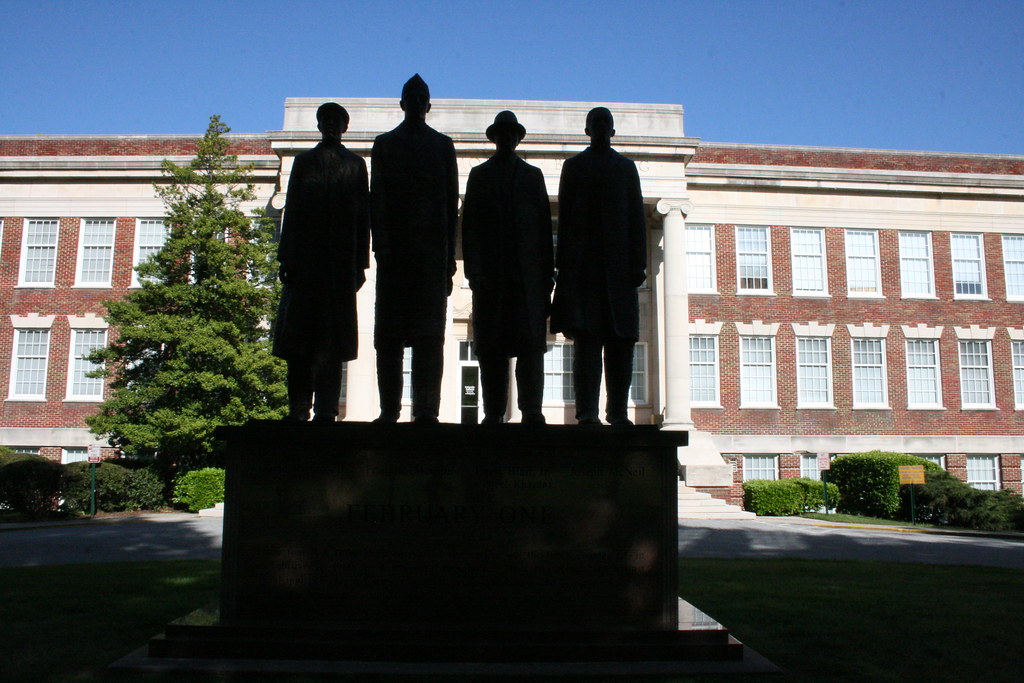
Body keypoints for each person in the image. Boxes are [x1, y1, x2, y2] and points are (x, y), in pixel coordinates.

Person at [550, 107, 647, 426]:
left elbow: (636, 219)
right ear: (587, 130)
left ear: (613, 131)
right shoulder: (573, 167)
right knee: (587, 347)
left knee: (621, 344)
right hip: (584, 272)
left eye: (606, 123)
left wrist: (638, 265)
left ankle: (617, 411)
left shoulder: (626, 168)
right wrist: (562, 270)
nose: (602, 128)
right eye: (596, 123)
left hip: (620, 272)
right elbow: (564, 223)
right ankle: (587, 413)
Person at [273, 102, 369, 422]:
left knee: (333, 343)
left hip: (339, 267)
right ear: (319, 126)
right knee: (299, 342)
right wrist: (286, 256)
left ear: (344, 127)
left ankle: (327, 410)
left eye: (336, 121)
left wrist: (360, 265)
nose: (330, 125)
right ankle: (299, 409)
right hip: (306, 264)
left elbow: (361, 218)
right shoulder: (303, 162)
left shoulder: (355, 166)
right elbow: (293, 210)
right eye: (325, 120)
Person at [370, 74, 459, 423]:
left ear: (428, 105)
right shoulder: (385, 144)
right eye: (412, 96)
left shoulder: (442, 145)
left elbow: (450, 204)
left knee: (429, 339)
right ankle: (389, 409)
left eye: (422, 97)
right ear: (403, 103)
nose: (417, 102)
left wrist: (449, 260)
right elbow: (377, 199)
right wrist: (382, 248)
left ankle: (426, 410)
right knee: (388, 339)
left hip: (430, 258)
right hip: (395, 256)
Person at [462, 111, 553, 425]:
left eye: (512, 133)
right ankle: (493, 412)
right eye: (501, 133)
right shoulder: (479, 175)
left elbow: (544, 230)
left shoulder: (533, 176)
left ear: (517, 138)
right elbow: (469, 227)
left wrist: (546, 278)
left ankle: (531, 410)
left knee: (531, 349)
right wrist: (474, 273)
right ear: (494, 137)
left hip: (528, 279)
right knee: (491, 350)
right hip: (490, 278)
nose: (507, 138)